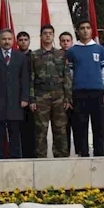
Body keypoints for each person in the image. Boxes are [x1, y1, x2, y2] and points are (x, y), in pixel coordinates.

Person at [67, 20, 104, 157]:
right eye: (82, 28)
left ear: (92, 30)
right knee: (81, 126)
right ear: (78, 31)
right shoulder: (72, 51)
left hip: (97, 92)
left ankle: (100, 154)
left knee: (99, 126)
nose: (85, 30)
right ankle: (83, 154)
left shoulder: (99, 49)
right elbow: (69, 75)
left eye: (88, 28)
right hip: (79, 93)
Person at [0, 29, 30, 158]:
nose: (7, 41)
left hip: (16, 101)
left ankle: (16, 157)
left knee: (15, 132)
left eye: (9, 39)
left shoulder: (21, 57)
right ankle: (0, 156)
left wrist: (25, 97)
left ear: (13, 40)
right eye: (4, 39)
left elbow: (25, 79)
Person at [30, 24, 72, 158]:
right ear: (41, 36)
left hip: (59, 96)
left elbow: (67, 77)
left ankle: (61, 157)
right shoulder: (34, 55)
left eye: (50, 33)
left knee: (60, 129)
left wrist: (67, 98)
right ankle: (40, 158)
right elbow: (30, 78)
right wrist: (32, 98)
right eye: (45, 33)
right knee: (40, 130)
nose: (48, 35)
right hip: (41, 96)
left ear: (53, 36)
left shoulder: (61, 54)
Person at [16, 31, 35, 158]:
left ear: (29, 41)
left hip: (32, 96)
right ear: (17, 42)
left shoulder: (34, 56)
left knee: (32, 128)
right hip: (17, 97)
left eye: (25, 39)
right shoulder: (14, 56)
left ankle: (31, 155)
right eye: (21, 39)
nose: (23, 42)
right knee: (18, 128)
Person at [59, 31, 77, 155]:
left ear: (72, 42)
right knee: (63, 129)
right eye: (63, 41)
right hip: (61, 98)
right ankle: (65, 153)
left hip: (77, 96)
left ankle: (80, 152)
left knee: (78, 126)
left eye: (68, 41)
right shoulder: (57, 56)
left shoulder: (77, 54)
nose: (65, 43)